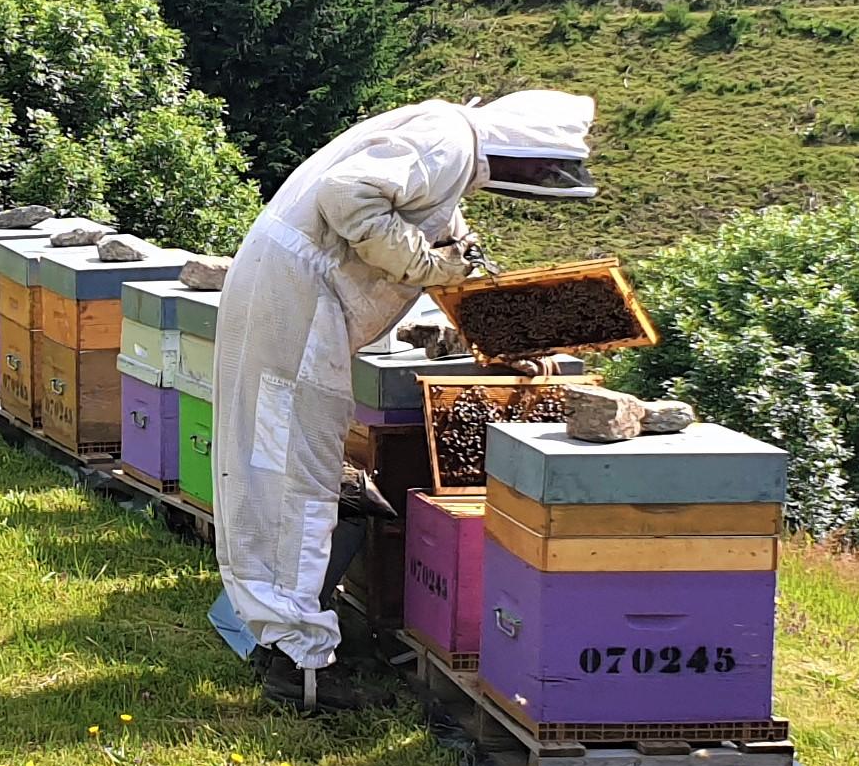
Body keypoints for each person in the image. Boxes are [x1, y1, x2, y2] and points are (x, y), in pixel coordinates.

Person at [209, 91, 598, 711]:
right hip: (296, 312)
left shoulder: (445, 150)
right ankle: (300, 666)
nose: (534, 185)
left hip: (287, 303)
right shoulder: (447, 140)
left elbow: (456, 258)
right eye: (542, 171)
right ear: (524, 150)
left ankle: (282, 640)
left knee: (282, 470)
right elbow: (350, 199)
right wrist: (428, 265)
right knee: (296, 481)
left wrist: (496, 336)